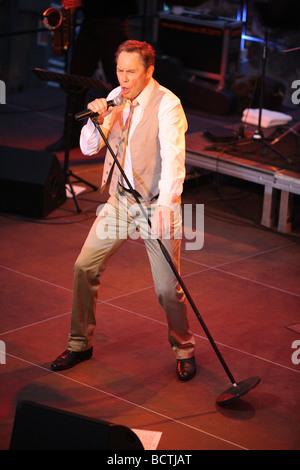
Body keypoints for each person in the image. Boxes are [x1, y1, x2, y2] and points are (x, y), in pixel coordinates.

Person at [51, 40, 196, 381]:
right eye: (120, 70)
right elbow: (89, 148)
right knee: (84, 266)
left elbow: (175, 162)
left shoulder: (168, 106)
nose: (125, 78)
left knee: (166, 288)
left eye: (132, 71)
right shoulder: (116, 97)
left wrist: (164, 207)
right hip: (121, 201)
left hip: (156, 203)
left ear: (150, 70)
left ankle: (184, 347)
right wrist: (95, 120)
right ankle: (79, 343)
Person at [45, 0, 138, 152]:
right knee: (75, 81)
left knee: (122, 83)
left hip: (114, 22)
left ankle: (129, 139)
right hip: (89, 22)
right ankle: (70, 138)